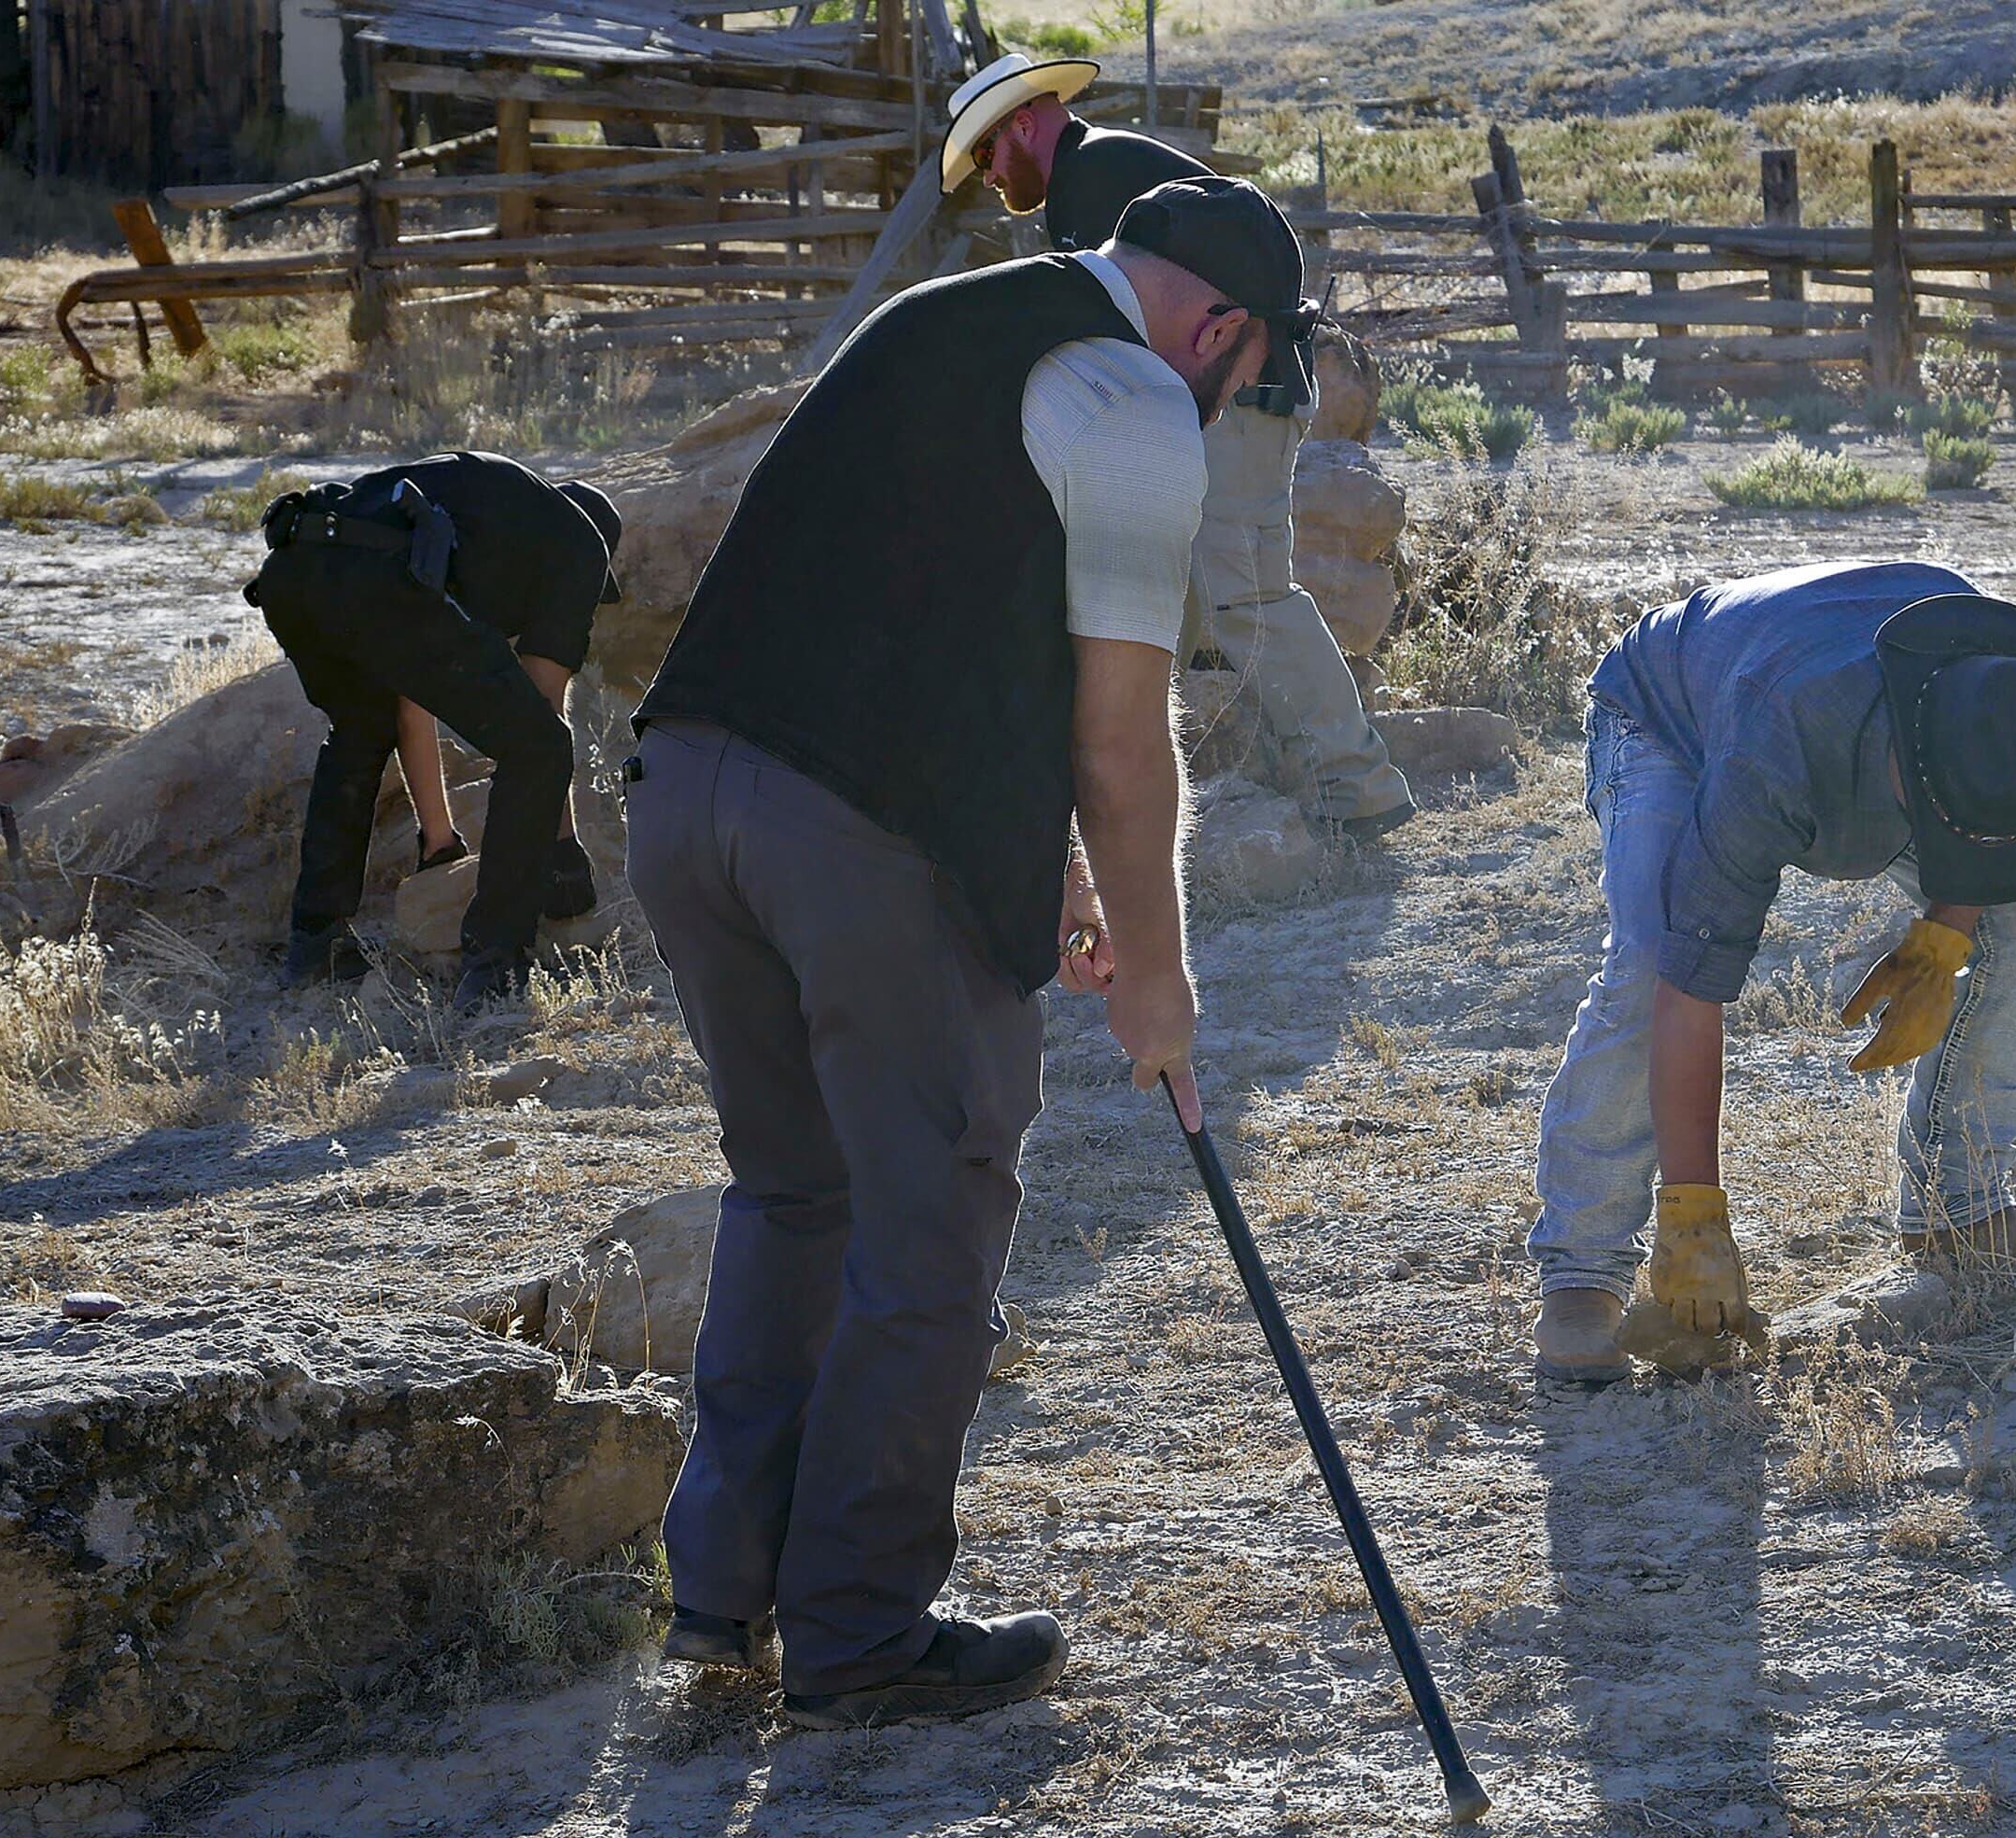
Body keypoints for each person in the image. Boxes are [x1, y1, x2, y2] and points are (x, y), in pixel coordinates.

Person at [623, 175, 1307, 1728]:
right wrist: (1159, 968)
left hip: (689, 799)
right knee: (924, 1229)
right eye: (1248, 379)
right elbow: (1125, 736)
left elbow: (926, 609)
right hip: (857, 839)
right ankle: (860, 1631)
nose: (1232, 408)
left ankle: (723, 1592)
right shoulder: (1132, 392)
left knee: (795, 1190)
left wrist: (1041, 848)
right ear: (1217, 325)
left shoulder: (936, 317)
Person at [1523, 561, 2016, 1385]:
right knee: (1650, 957)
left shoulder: (2014, 701)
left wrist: (1945, 937)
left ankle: (1959, 1211)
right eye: (1953, 822)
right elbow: (1691, 987)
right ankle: (1583, 1273)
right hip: (1669, 722)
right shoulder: (1782, 747)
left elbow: (1995, 829)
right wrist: (1695, 1221)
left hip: (1823, 701)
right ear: (1908, 767)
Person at [940, 52, 1416, 838]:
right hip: (1239, 389)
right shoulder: (1103, 170)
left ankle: (1356, 788)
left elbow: (1114, 336)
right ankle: (1241, 774)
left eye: (986, 153)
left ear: (1023, 123)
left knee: (1247, 594)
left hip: (1240, 394)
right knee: (1193, 598)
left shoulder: (1093, 180)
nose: (988, 175)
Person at [241, 454, 620, 1008]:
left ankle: (315, 944)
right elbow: (543, 718)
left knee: (360, 731)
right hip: (370, 575)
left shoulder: (473, 519)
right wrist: (561, 854)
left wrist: (439, 843)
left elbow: (408, 704)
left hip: (296, 568)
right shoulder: (579, 544)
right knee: (538, 749)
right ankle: (494, 963)